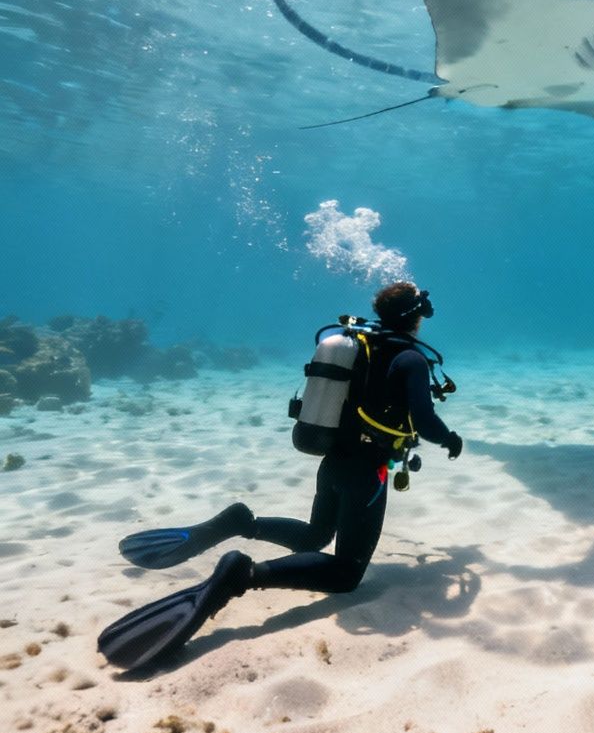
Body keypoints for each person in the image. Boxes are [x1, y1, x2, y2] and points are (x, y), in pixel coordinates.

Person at [98, 280, 463, 671]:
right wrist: (449, 439)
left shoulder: (359, 345)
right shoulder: (410, 359)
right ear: (416, 318)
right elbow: (424, 420)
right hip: (366, 472)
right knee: (345, 574)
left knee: (315, 536)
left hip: (334, 461)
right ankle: (243, 575)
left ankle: (242, 523)